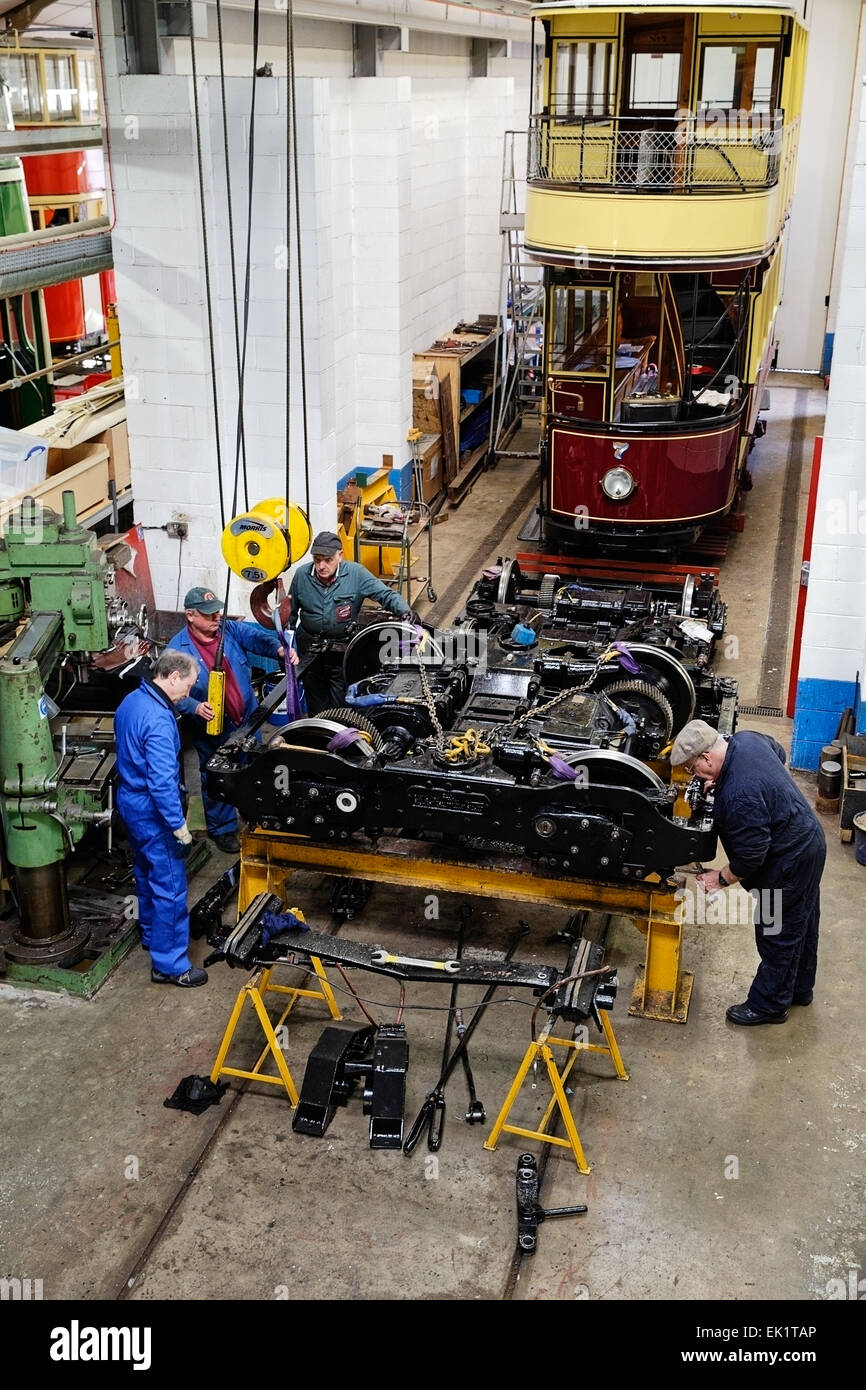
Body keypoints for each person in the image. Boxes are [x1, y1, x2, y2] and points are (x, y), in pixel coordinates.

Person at [671, 720, 827, 1027]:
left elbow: (752, 855)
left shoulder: (739, 795)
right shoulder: (747, 740)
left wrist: (720, 878)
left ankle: (769, 1005)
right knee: (801, 922)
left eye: (693, 769)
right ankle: (799, 989)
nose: (695, 776)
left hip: (787, 862)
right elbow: (778, 753)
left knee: (776, 933)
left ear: (706, 758)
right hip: (808, 843)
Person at [167, 587, 297, 854]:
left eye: (217, 611)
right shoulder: (176, 652)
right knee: (217, 776)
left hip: (248, 718)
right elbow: (169, 692)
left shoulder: (228, 630)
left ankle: (255, 812)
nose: (216, 617)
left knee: (254, 768)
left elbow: (256, 638)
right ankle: (223, 828)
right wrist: (194, 706)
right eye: (209, 614)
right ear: (190, 615)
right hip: (213, 727)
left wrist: (279, 650)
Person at [114, 650, 207, 987]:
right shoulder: (157, 718)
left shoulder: (131, 701)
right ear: (172, 677)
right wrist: (177, 825)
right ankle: (169, 966)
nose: (189, 693)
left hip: (129, 802)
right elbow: (163, 782)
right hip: (154, 811)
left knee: (145, 870)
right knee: (169, 885)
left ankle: (152, 935)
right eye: (189, 686)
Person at [288, 530, 415, 713]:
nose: (321, 566)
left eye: (328, 560)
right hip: (309, 652)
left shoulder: (356, 574)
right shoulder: (301, 576)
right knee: (316, 702)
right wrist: (287, 644)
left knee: (341, 706)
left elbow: (385, 594)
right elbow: (289, 615)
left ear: (340, 555)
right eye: (317, 559)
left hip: (341, 652)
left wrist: (405, 611)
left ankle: (339, 737)